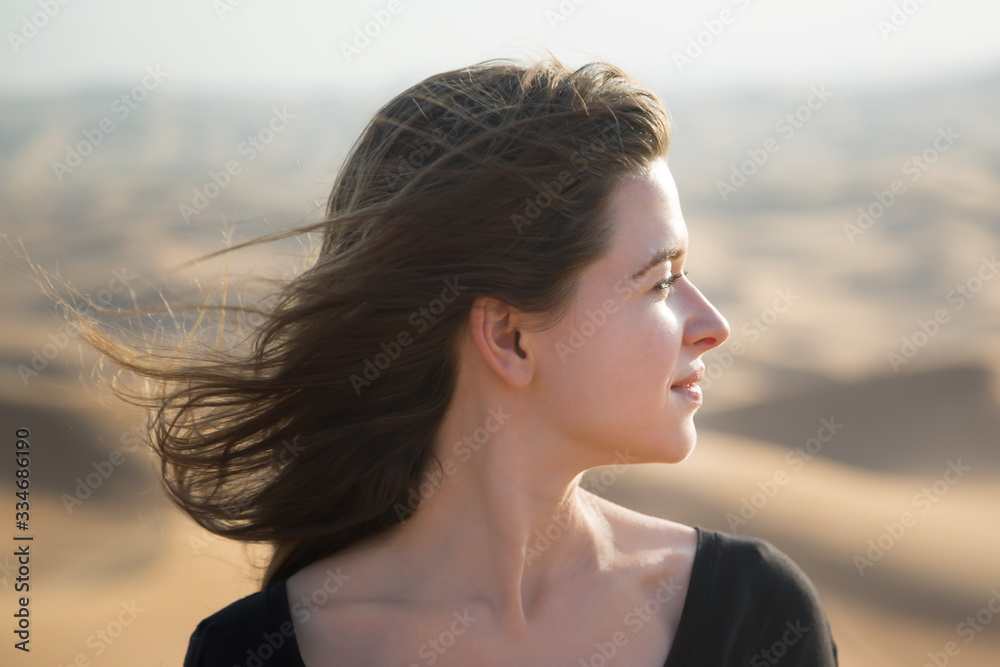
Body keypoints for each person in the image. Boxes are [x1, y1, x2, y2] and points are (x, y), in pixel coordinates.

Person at [57, 56, 839, 665]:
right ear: (509, 337)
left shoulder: (753, 615)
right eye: (660, 281)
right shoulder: (252, 652)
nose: (713, 325)